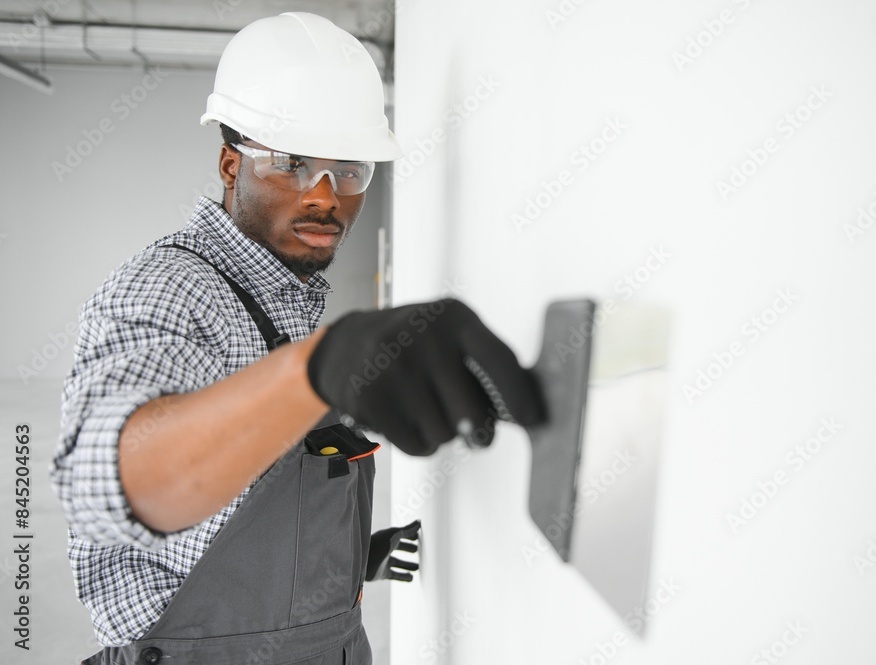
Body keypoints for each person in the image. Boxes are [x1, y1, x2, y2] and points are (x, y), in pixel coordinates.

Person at [50, 12, 544, 665]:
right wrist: (318, 368)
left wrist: (347, 560)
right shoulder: (172, 289)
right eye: (291, 163)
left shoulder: (285, 305)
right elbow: (107, 476)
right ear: (231, 164)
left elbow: (235, 529)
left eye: (349, 169)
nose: (325, 195)